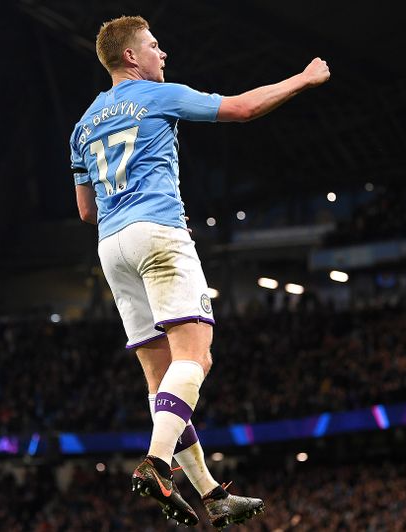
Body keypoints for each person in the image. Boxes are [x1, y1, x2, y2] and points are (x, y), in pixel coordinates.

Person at [69, 15, 329, 528]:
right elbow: (243, 108)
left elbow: (84, 210)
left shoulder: (82, 125)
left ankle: (210, 493)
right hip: (158, 233)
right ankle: (157, 463)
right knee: (196, 357)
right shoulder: (155, 96)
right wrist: (304, 78)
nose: (162, 54)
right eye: (154, 45)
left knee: (160, 376)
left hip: (111, 245)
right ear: (130, 58)